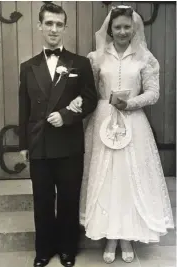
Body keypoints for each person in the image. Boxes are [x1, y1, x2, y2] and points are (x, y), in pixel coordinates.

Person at [68, 5, 174, 264]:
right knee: (106, 178)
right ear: (110, 29)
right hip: (103, 121)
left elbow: (153, 92)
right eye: (118, 27)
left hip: (132, 122)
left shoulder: (145, 58)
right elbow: (89, 91)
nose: (123, 31)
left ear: (134, 28)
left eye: (127, 26)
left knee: (127, 177)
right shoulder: (96, 58)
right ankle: (110, 236)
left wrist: (131, 103)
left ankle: (126, 237)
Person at [18, 3, 97, 267]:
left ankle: (67, 248)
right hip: (39, 144)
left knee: (68, 198)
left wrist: (67, 115)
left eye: (58, 24)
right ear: (40, 26)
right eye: (48, 23)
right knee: (42, 199)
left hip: (69, 144)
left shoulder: (80, 63)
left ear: (65, 27)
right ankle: (43, 250)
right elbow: (24, 108)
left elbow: (90, 99)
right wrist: (23, 144)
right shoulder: (28, 67)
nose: (53, 29)